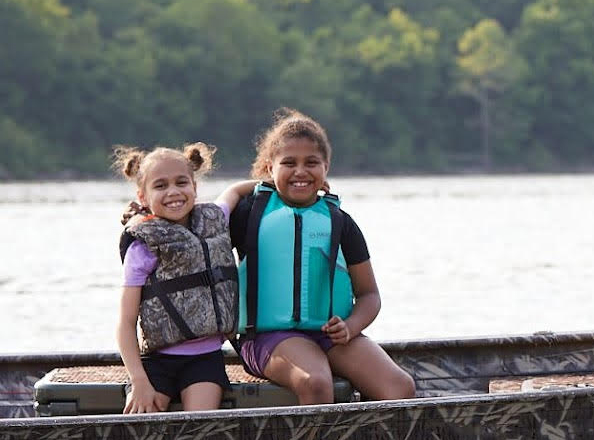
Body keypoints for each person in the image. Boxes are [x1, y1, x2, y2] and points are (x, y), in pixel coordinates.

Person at [218, 108, 415, 404]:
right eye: (289, 163)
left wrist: (351, 326)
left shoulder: (340, 222)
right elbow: (196, 229)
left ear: (326, 167)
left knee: (400, 387)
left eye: (312, 163)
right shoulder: (248, 215)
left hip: (331, 337)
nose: (300, 171)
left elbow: (369, 295)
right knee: (316, 382)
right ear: (270, 168)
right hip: (265, 338)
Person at [113, 142, 239, 413]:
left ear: (195, 187)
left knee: (198, 426)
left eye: (181, 182)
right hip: (156, 361)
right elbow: (125, 324)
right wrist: (139, 381)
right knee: (141, 414)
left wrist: (281, 182)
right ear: (143, 197)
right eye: (160, 186)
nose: (173, 192)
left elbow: (235, 191)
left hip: (205, 359)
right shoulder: (142, 246)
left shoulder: (214, 219)